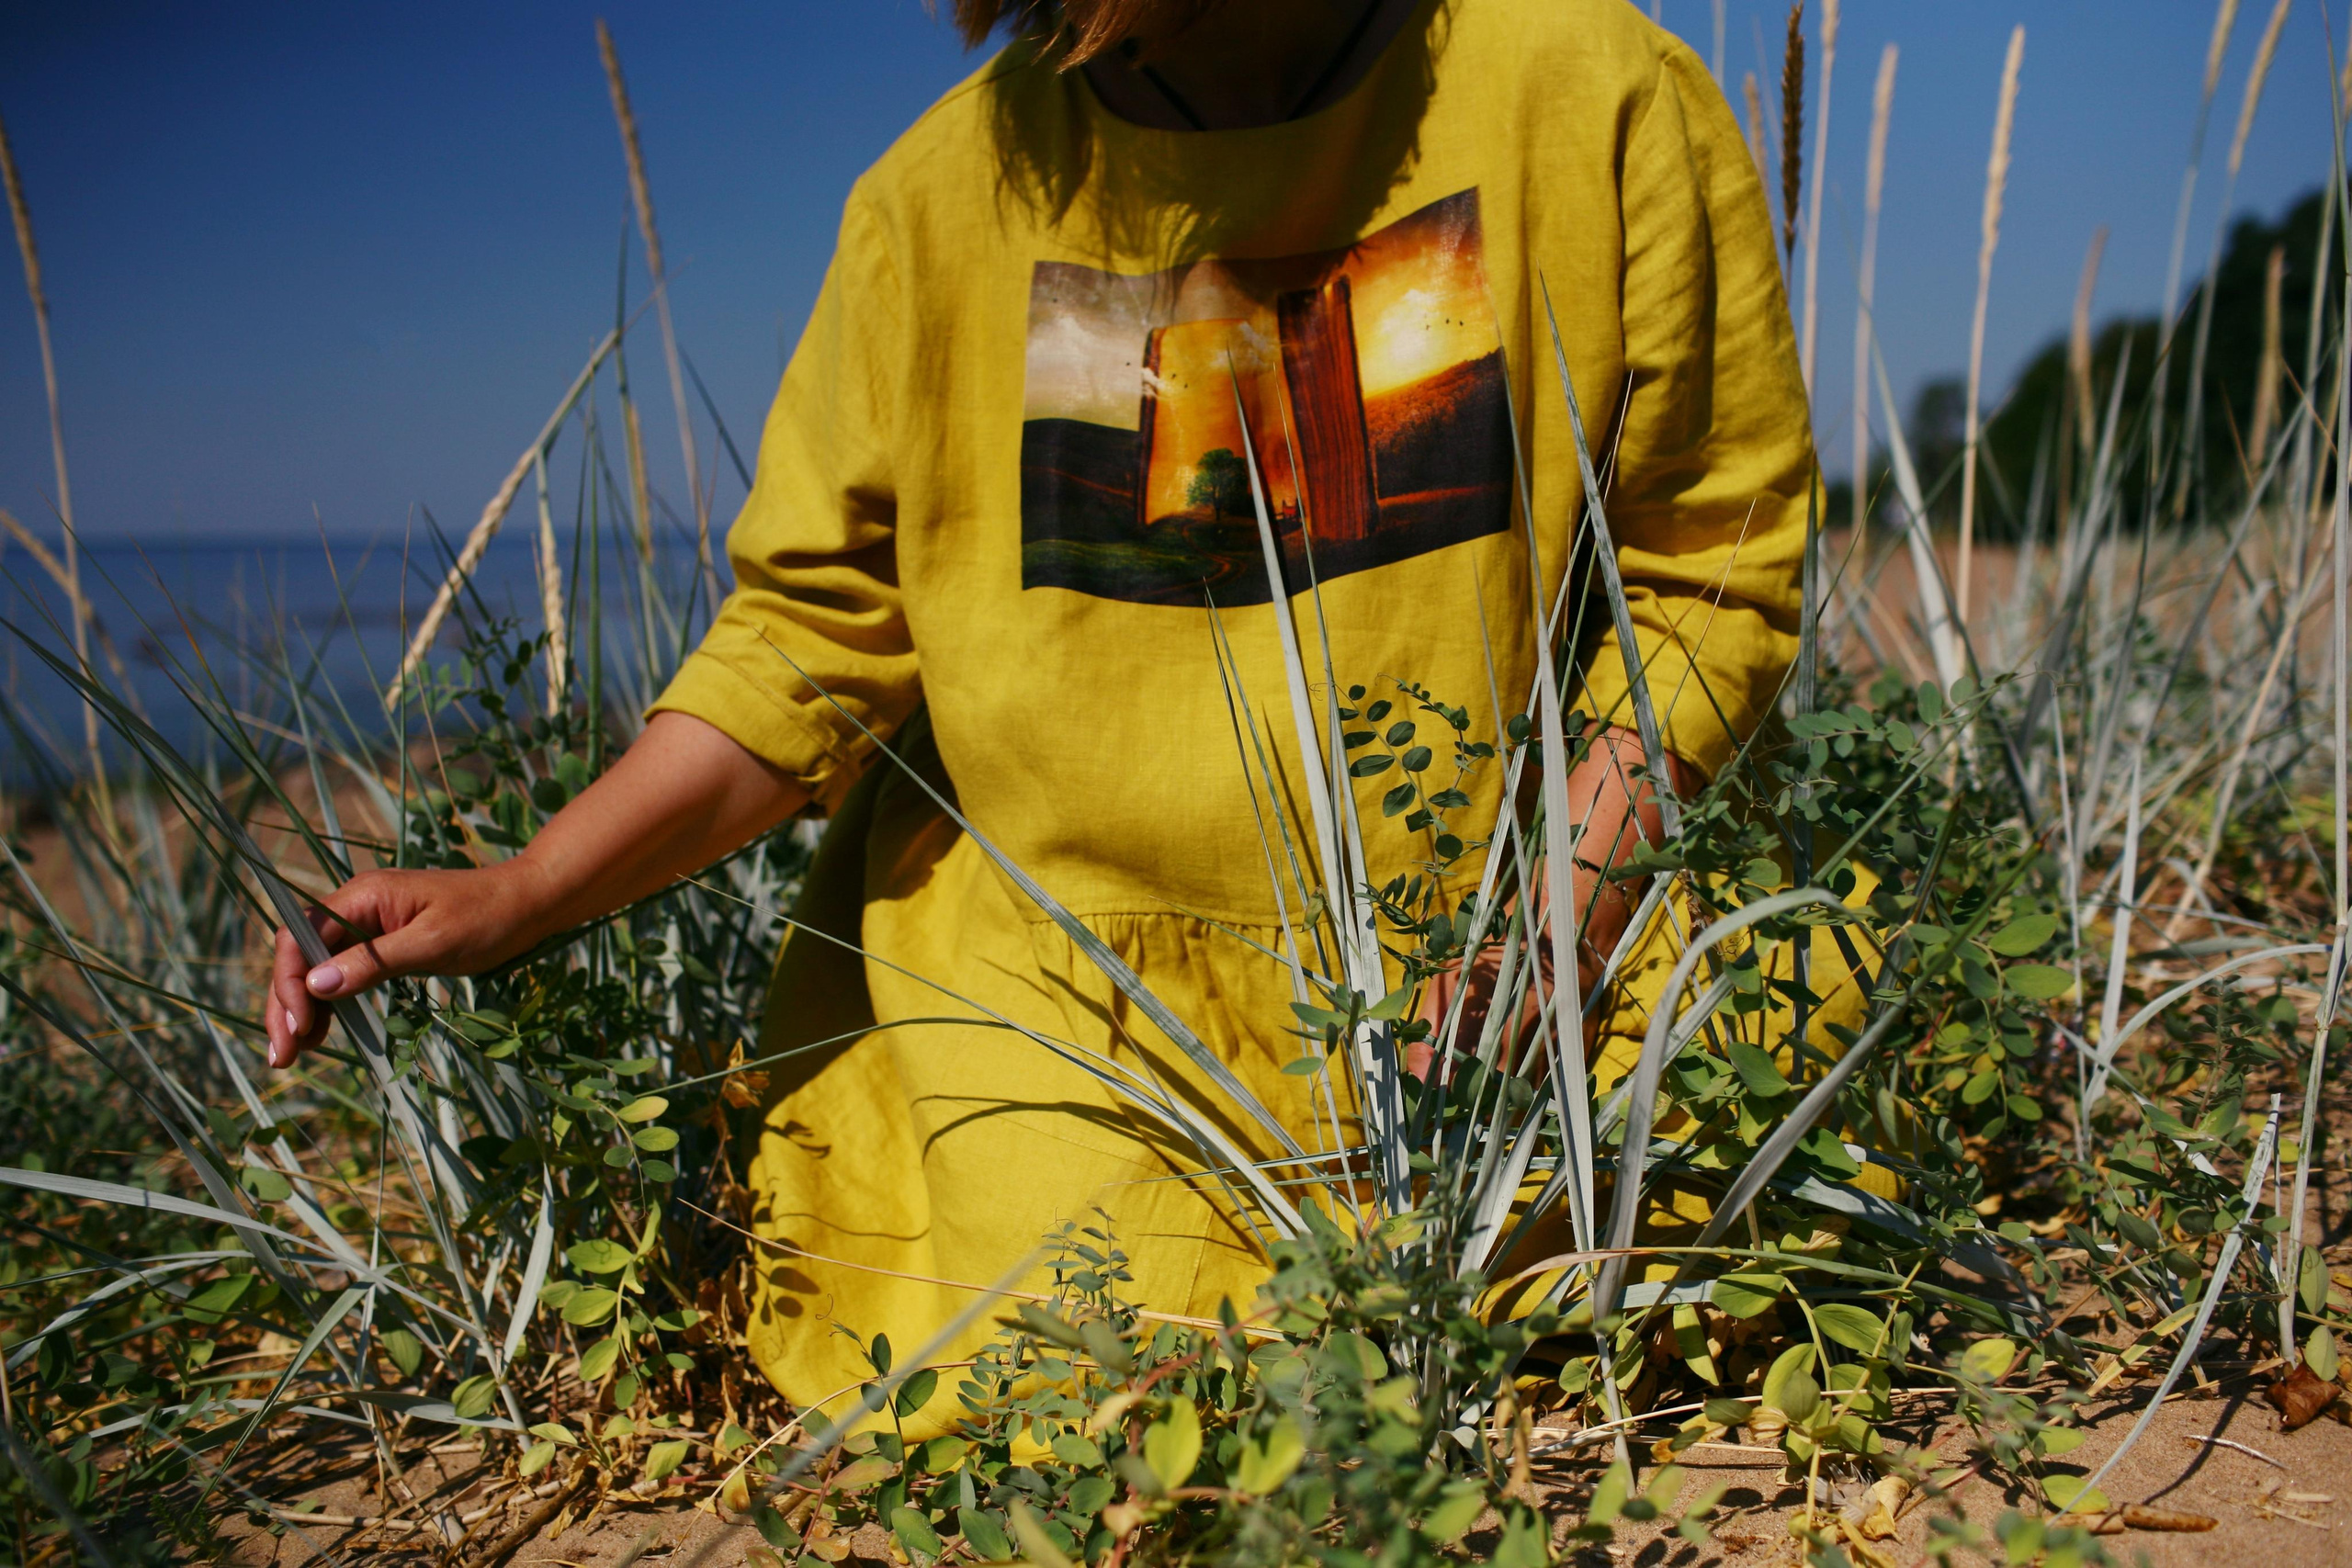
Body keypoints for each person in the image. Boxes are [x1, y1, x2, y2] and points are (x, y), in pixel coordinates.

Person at [266, 0, 1814, 1436]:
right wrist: (525, 889)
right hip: (1058, 1005)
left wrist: (1553, 934)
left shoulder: (1591, 94)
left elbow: (1707, 575)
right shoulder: (935, 202)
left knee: (1638, 1264)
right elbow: (806, 649)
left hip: (1513, 951)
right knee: (1094, 1389)